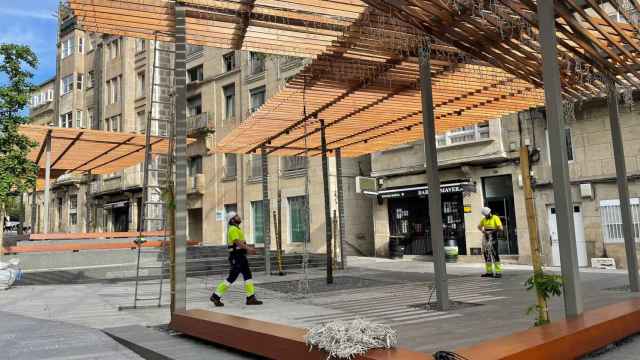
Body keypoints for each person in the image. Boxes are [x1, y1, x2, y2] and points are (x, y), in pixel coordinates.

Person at [210, 212, 263, 306]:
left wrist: (247, 250)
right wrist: (249, 249)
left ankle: (250, 298)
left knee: (248, 275)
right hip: (236, 257)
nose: (239, 217)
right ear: (232, 220)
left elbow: (240, 243)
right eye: (236, 216)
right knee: (232, 277)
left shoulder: (236, 229)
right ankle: (215, 296)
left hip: (240, 256)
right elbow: (237, 242)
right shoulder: (233, 229)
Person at [477, 207, 503, 278]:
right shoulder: (484, 219)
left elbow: (500, 228)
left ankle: (498, 272)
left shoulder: (495, 218)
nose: (486, 216)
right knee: (486, 255)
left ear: (489, 212)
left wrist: (492, 231)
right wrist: (483, 231)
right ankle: (489, 272)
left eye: (487, 215)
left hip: (493, 238)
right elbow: (479, 226)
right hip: (486, 238)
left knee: (495, 254)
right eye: (485, 215)